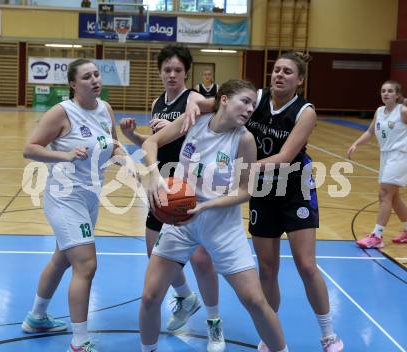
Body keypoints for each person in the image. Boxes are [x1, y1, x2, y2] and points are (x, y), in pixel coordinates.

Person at [184, 52, 344, 352]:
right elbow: (207, 102)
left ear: (300, 80)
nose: (279, 75)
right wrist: (194, 99)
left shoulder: (304, 111)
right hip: (262, 193)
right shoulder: (255, 98)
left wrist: (240, 168)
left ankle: (328, 334)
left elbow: (284, 158)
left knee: (307, 266)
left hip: (294, 189)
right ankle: (271, 333)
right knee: (267, 269)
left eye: (287, 71)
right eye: (276, 70)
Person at [140, 79, 288, 352]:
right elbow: (151, 142)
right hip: (181, 222)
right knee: (150, 297)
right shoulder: (194, 120)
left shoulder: (244, 139)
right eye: (244, 101)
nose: (249, 109)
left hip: (222, 226)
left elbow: (246, 191)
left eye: (253, 105)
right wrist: (151, 172)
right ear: (223, 99)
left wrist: (206, 206)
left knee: (254, 301)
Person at [120, 44, 224, 350]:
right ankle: (184, 296)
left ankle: (214, 322)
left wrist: (177, 125)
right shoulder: (157, 102)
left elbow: (220, 106)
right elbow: (157, 143)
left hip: (190, 186)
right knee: (154, 252)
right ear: (160, 72)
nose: (172, 74)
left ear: (186, 72)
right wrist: (132, 138)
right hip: (162, 186)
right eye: (167, 69)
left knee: (201, 259)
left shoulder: (193, 98)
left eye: (178, 70)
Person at [21, 58, 128, 352]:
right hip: (64, 198)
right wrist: (64, 156)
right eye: (86, 77)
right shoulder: (62, 112)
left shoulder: (106, 109)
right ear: (72, 84)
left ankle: (36, 317)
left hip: (90, 198)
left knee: (62, 258)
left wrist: (128, 161)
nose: (95, 80)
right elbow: (29, 149)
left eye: (96, 75)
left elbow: (113, 145)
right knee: (86, 265)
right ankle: (79, 343)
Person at [348, 80, 407, 247]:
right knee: (394, 198)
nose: (386, 93)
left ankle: (377, 236)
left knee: (384, 194)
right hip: (385, 156)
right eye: (383, 91)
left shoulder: (402, 111)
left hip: (400, 155)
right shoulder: (380, 111)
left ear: (397, 94)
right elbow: (370, 131)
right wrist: (356, 144)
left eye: (390, 91)